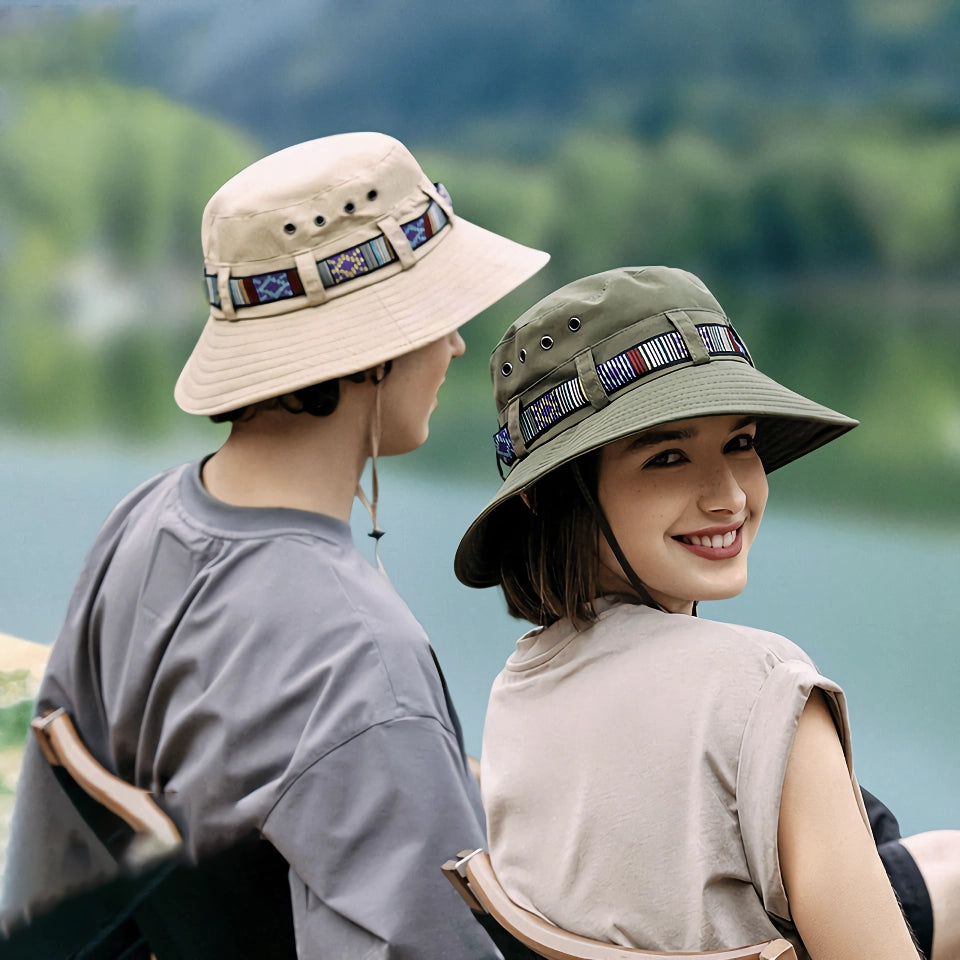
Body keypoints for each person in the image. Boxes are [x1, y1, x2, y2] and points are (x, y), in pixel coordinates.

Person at [1, 132, 549, 958]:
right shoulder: (363, 661)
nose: (457, 345)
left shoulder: (145, 521)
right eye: (439, 316)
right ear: (373, 350)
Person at [454, 266, 959, 960]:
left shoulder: (521, 687)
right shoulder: (761, 686)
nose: (728, 497)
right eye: (667, 457)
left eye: (740, 444)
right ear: (557, 495)